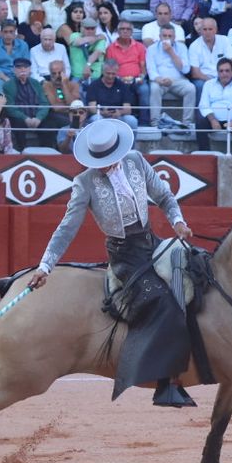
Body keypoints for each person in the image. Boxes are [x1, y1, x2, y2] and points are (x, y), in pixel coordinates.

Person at [28, 118, 196, 408]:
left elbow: (165, 198)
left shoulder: (135, 161)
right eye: (100, 161)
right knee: (159, 301)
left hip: (150, 241)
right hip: (124, 255)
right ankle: (164, 382)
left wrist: (178, 222)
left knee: (196, 269)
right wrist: (45, 266)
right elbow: (67, 228)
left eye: (109, 159)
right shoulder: (85, 183)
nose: (106, 165)